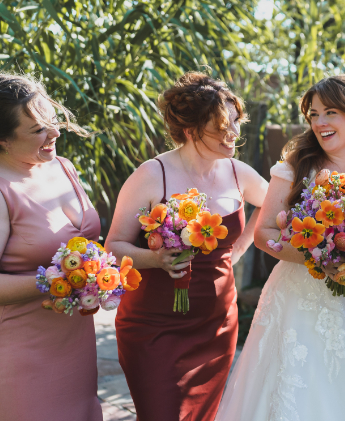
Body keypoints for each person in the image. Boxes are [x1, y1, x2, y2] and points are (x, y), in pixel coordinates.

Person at [216, 74, 345, 420]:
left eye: (330, 112)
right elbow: (263, 232)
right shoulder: (297, 166)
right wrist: (317, 256)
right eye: (313, 114)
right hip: (303, 303)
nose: (319, 123)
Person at [105, 72, 267, 421]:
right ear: (191, 131)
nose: (234, 134)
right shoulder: (152, 174)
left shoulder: (239, 173)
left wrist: (238, 248)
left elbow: (274, 207)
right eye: (222, 126)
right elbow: (113, 246)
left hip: (218, 323)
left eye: (236, 122)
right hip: (154, 326)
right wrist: (155, 258)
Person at [0, 74, 102, 420]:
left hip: (73, 346)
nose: (54, 133)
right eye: (38, 130)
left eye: (52, 121)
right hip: (17, 353)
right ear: (2, 139)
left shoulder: (63, 168)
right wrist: (57, 280)